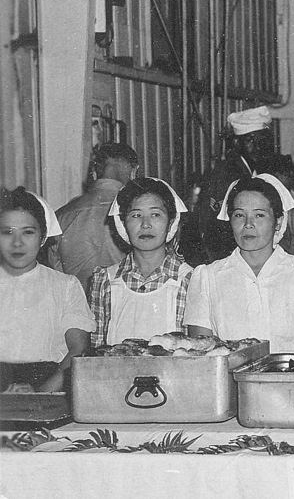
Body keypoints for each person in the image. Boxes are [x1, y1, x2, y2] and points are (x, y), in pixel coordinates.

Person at [183, 174, 294, 352]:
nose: (248, 224)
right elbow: (202, 354)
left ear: (278, 222)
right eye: (239, 215)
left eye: (259, 215)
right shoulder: (206, 277)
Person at [1, 188, 94, 392]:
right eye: (7, 232)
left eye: (28, 232)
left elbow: (78, 349)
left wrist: (40, 393)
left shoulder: (65, 286)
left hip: (50, 388)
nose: (17, 243)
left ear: (42, 237)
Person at [88, 177, 193, 347]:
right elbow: (96, 348)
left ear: (171, 222)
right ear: (123, 224)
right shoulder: (104, 279)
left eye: (155, 215)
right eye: (136, 215)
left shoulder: (190, 279)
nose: (145, 224)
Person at [181, 106, 277, 265]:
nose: (257, 147)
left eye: (262, 140)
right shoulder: (229, 173)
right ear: (237, 143)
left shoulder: (249, 171)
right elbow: (214, 225)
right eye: (250, 140)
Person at [48, 142, 139, 289]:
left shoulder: (61, 216)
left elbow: (56, 276)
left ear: (94, 173)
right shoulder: (140, 215)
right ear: (134, 172)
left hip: (77, 302)